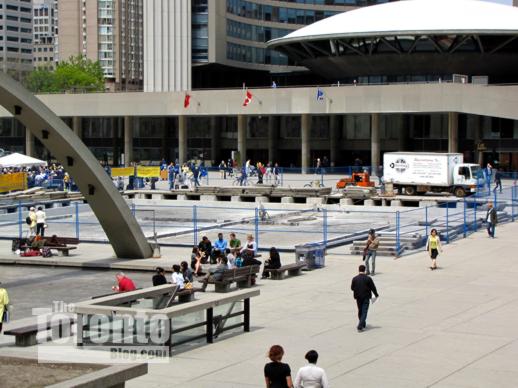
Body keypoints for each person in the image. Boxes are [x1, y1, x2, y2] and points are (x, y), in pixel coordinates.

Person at [350, 264, 379, 332]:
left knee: (360, 310)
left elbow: (352, 288)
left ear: (359, 270)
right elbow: (373, 287)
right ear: (364, 270)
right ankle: (360, 325)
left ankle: (362, 323)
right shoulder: (368, 278)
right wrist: (376, 294)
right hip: (366, 297)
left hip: (358, 297)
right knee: (364, 311)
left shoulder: (354, 278)